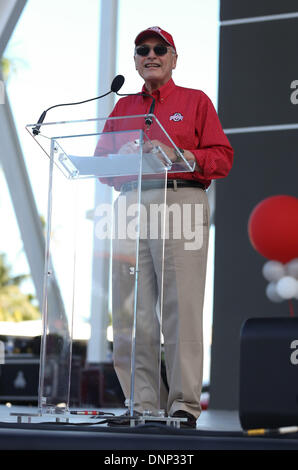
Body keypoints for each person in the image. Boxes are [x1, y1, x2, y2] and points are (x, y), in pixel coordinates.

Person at [95, 26, 233, 428]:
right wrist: (118, 157)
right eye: (142, 50)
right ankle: (141, 402)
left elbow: (222, 158)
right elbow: (100, 165)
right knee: (128, 309)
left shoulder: (195, 101)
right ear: (136, 60)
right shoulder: (122, 108)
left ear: (174, 58)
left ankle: (183, 404)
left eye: (159, 49)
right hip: (131, 203)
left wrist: (182, 153)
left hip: (181, 196)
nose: (150, 54)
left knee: (181, 306)